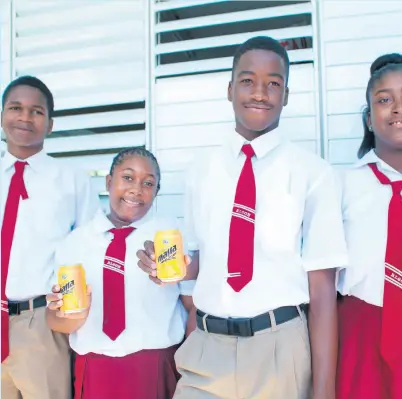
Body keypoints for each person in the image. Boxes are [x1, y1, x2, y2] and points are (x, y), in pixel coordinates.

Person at [137, 36, 348, 399]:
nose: (260, 93)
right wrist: (167, 266)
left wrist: (324, 390)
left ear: (286, 94)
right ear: (230, 88)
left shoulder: (313, 173)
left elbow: (322, 288)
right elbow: (207, 260)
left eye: (274, 83)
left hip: (279, 350)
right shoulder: (201, 170)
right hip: (207, 347)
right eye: (248, 81)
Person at [46, 147, 196, 399]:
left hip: (157, 366)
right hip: (95, 368)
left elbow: (192, 306)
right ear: (108, 182)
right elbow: (58, 322)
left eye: (148, 183)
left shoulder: (171, 235)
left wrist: (189, 368)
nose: (136, 189)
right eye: (127, 177)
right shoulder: (75, 243)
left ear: (156, 192)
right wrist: (69, 313)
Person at [337, 53, 402, 399]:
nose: (400, 108)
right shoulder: (341, 186)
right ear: (368, 118)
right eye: (384, 100)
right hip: (360, 333)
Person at [1, 76, 99, 399]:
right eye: (16, 108)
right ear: (3, 115)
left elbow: (92, 249)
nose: (25, 117)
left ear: (51, 124)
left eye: (36, 111)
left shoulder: (71, 180)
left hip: (39, 323)